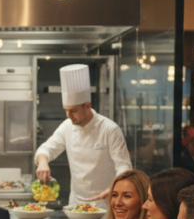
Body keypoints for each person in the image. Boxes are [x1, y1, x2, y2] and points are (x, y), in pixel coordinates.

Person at [35, 64, 132, 207]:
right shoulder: (68, 126)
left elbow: (124, 167)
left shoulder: (110, 129)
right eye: (66, 110)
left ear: (87, 106)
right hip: (76, 203)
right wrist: (43, 163)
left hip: (105, 203)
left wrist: (116, 189)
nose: (69, 116)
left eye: (73, 110)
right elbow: (45, 149)